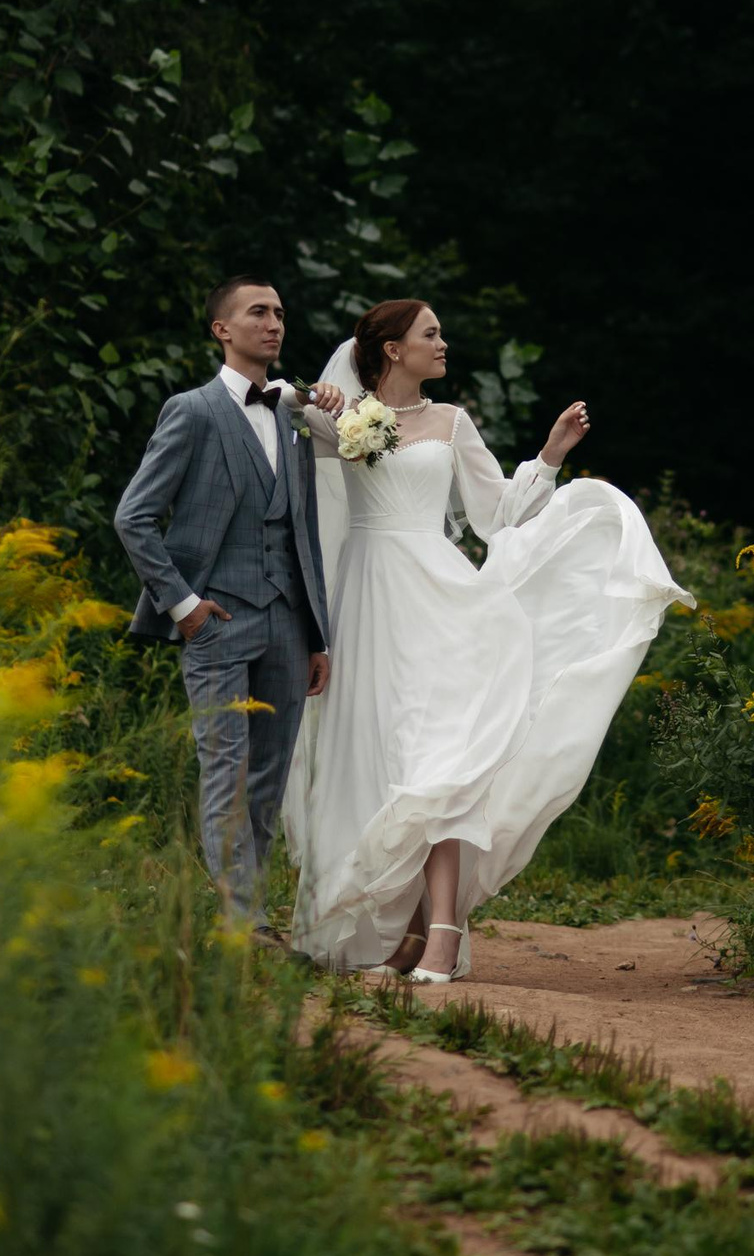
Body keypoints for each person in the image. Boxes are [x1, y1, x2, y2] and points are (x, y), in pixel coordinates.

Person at [280, 299, 692, 982]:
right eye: (430, 334)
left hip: (441, 599)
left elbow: (496, 514)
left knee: (447, 757)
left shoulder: (451, 421)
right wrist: (312, 394)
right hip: (367, 602)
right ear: (391, 348)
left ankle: (442, 932)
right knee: (382, 758)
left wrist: (551, 455)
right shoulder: (341, 416)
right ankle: (395, 933)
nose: (444, 344)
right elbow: (268, 405)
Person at [112, 278, 333, 943]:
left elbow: (302, 531)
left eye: (280, 314)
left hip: (289, 625)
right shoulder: (194, 411)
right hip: (217, 623)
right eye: (258, 313)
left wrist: (316, 633)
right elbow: (134, 517)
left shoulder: (292, 417)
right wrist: (183, 606)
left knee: (270, 775)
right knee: (227, 769)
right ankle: (243, 921)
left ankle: (252, 910)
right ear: (221, 329)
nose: (274, 324)